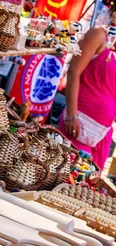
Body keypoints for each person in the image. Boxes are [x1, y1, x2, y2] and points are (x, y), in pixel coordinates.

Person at [62, 16, 116, 170]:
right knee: (65, 176)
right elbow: (73, 71)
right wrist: (71, 115)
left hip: (103, 134)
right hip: (78, 124)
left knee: (86, 187)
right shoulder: (99, 34)